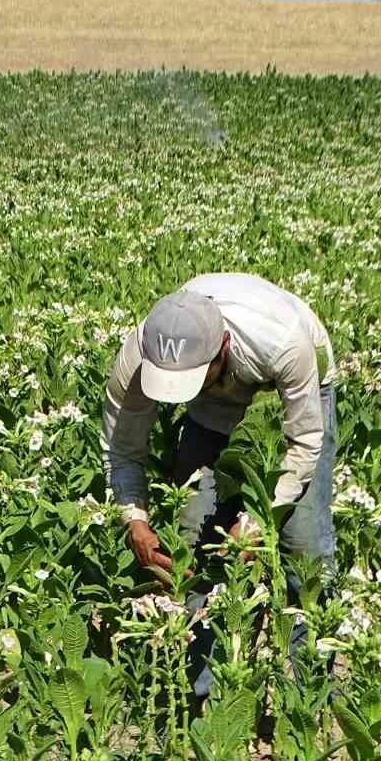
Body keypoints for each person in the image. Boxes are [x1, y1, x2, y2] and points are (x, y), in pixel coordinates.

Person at [100, 273, 337, 683]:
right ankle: (198, 689)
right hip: (213, 406)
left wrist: (258, 520)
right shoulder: (140, 353)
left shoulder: (283, 342)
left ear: (222, 348)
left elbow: (304, 443)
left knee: (304, 548)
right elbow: (122, 449)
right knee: (191, 540)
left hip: (292, 386)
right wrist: (134, 518)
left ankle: (310, 690)